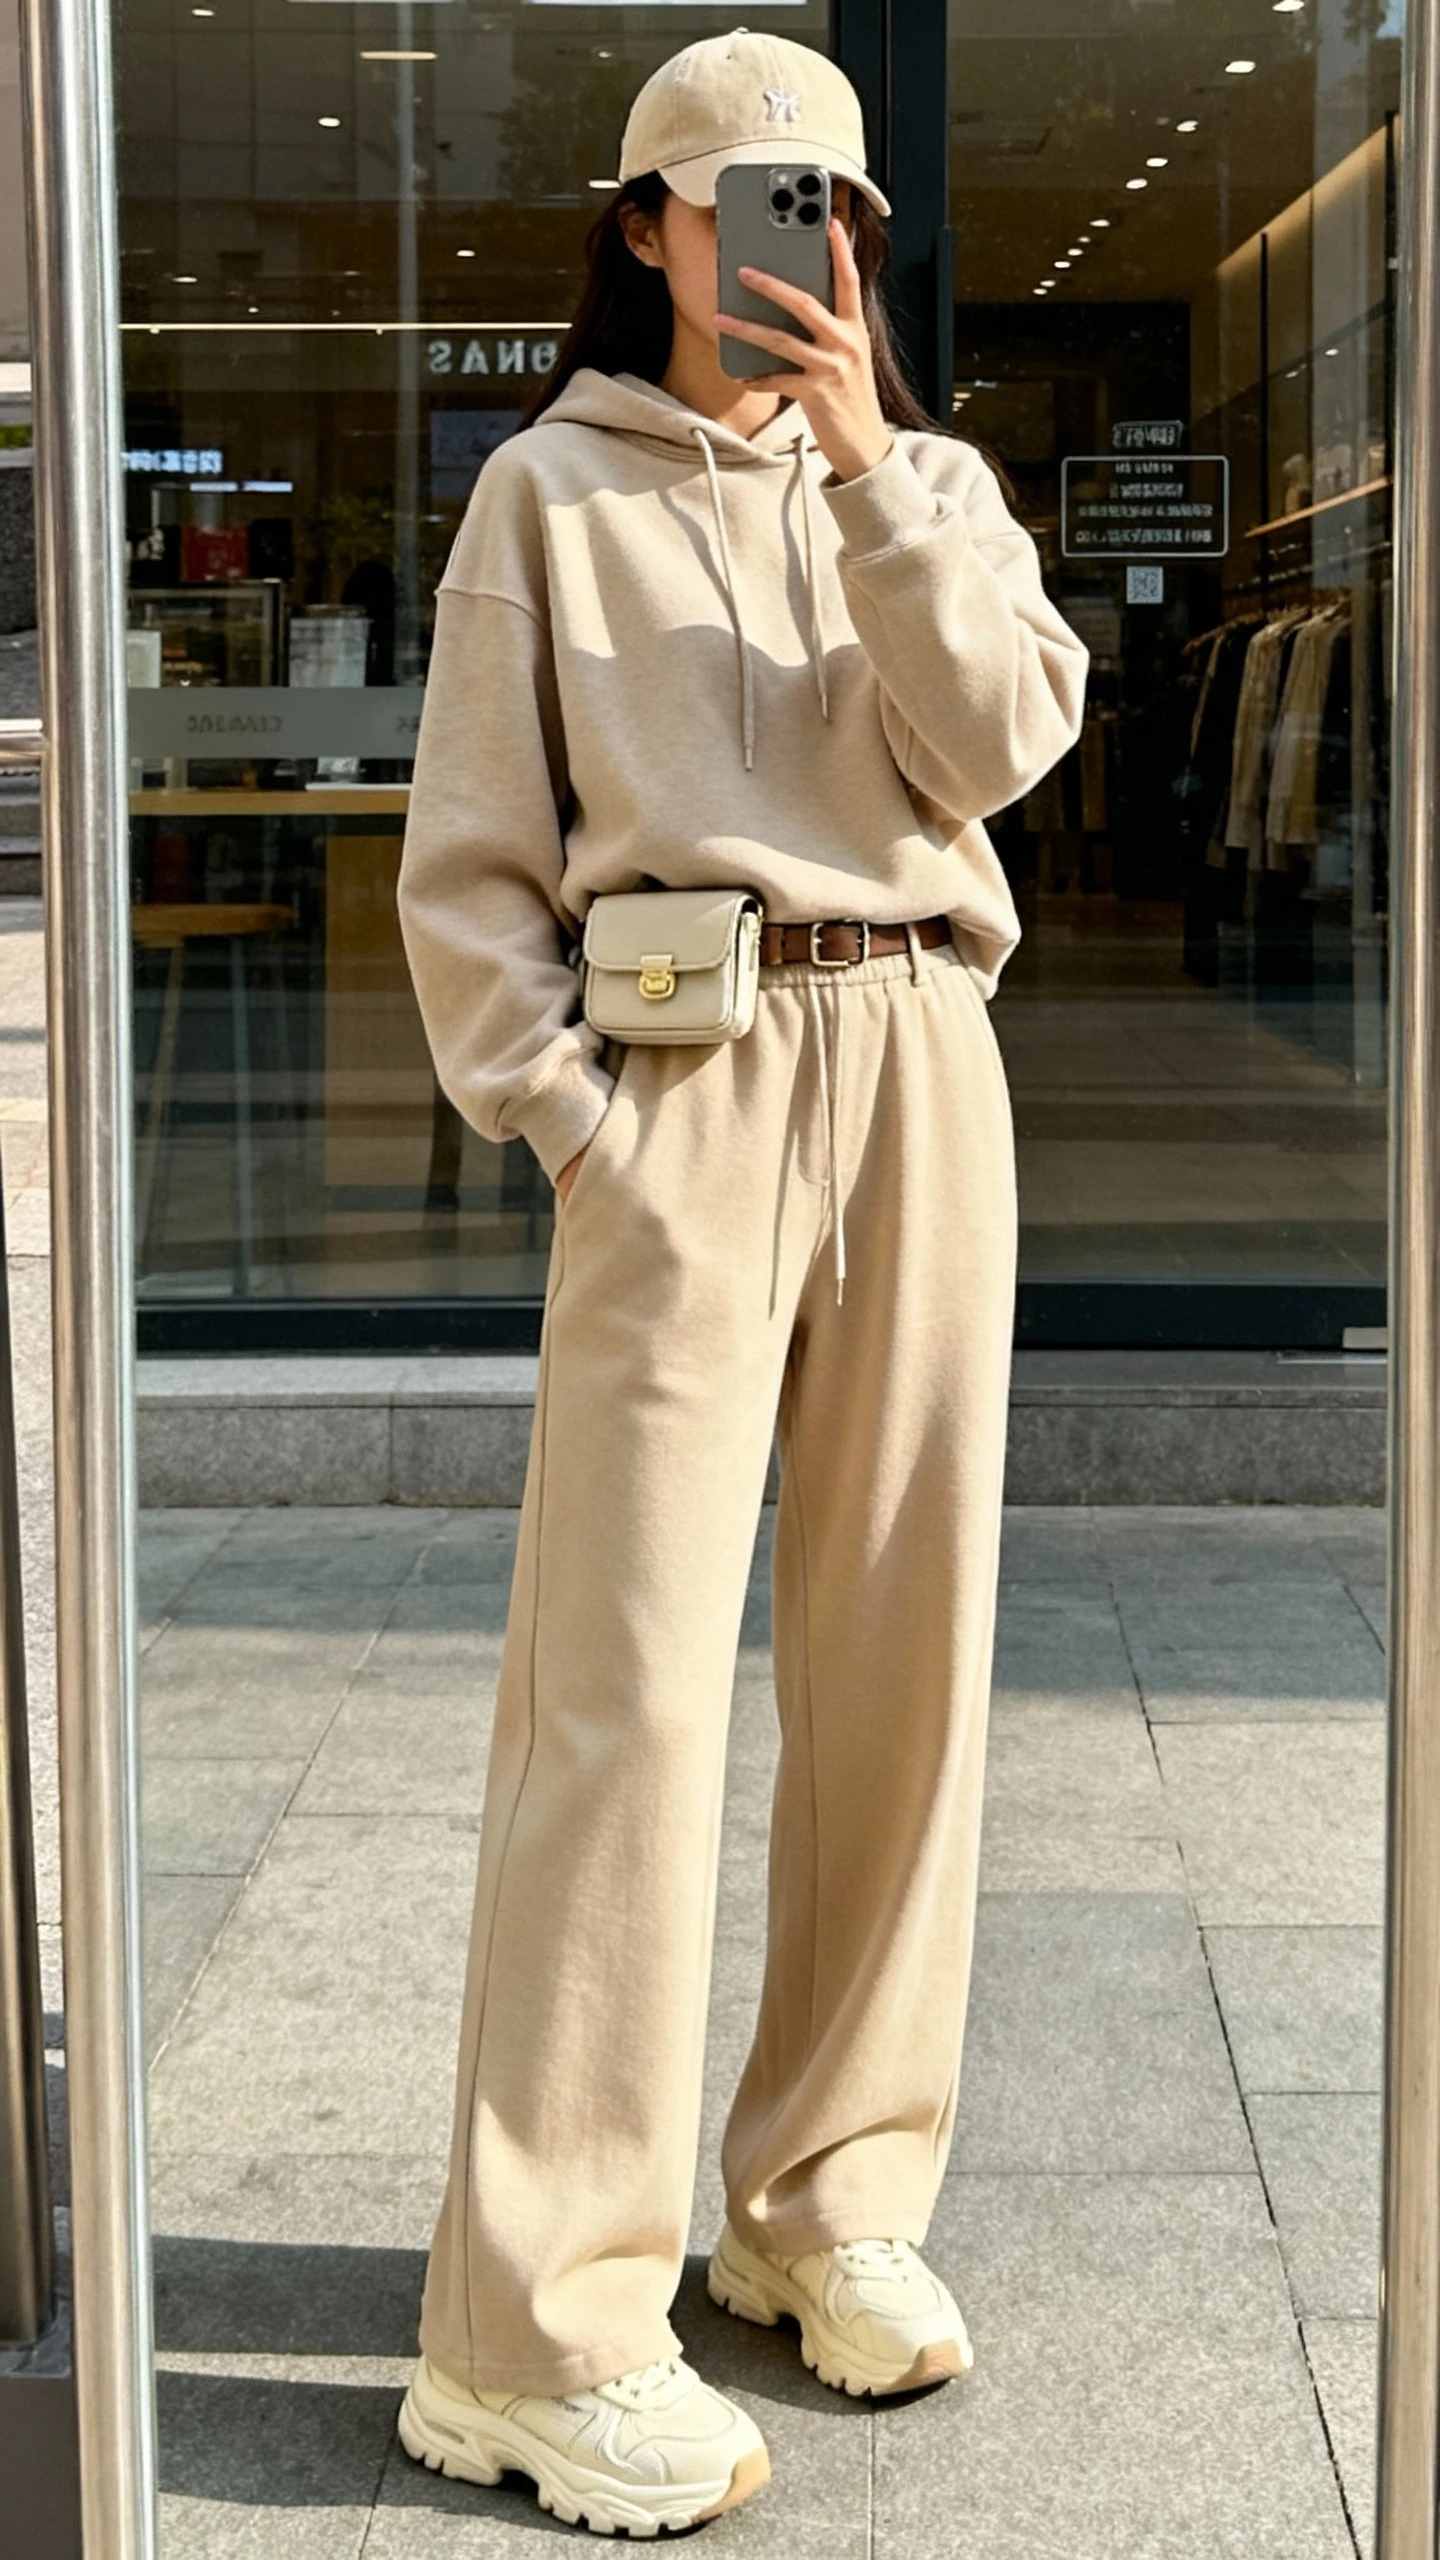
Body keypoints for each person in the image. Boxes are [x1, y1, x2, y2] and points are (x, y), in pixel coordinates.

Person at [395, 27, 1086, 2537]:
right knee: (630, 1692)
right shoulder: (544, 498)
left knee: (907, 1656)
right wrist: (583, 1127)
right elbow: (473, 872)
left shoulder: (942, 489)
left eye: (834, 210)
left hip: (918, 1055)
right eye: (744, 200)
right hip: (681, 1085)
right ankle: (538, 2322)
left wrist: (878, 470)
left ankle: (827, 2197)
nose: (795, 244)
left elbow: (1000, 742)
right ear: (654, 225)